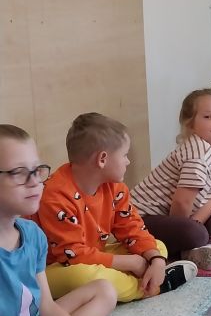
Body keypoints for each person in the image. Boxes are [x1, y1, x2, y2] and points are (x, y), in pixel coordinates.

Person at [0, 125, 121, 316]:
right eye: (18, 173)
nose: (35, 182)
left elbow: (46, 306)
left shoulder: (31, 233)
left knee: (104, 290)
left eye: (37, 170)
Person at [36, 113, 197, 302]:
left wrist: (155, 259)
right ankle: (151, 287)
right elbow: (72, 255)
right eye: (125, 155)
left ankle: (146, 277)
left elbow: (132, 228)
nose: (128, 161)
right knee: (82, 276)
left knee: (157, 246)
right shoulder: (56, 195)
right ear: (102, 159)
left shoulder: (114, 186)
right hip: (51, 269)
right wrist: (131, 263)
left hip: (91, 256)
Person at [131, 89, 211, 271]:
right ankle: (203, 240)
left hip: (180, 216)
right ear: (190, 125)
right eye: (208, 117)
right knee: (194, 233)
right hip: (141, 220)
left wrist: (196, 223)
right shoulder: (197, 153)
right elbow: (182, 202)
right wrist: (187, 231)